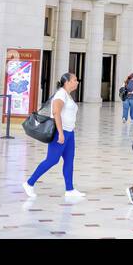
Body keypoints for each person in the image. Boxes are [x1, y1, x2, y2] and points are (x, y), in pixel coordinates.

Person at [22, 72, 85, 202]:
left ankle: (70, 189)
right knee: (52, 160)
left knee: (69, 160)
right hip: (60, 132)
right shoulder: (61, 94)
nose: (77, 82)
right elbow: (56, 112)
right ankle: (29, 183)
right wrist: (61, 133)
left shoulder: (68, 95)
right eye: (75, 80)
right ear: (67, 82)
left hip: (69, 132)